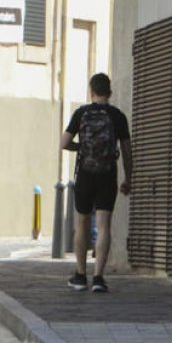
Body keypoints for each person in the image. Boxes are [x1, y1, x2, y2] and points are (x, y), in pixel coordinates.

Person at [60, 72, 133, 293]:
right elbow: (128, 152)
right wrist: (128, 179)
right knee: (103, 225)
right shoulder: (117, 116)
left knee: (81, 223)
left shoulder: (81, 113)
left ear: (92, 91)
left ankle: (80, 276)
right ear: (109, 91)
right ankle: (99, 278)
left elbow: (63, 143)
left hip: (85, 173)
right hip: (107, 174)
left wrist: (80, 148)